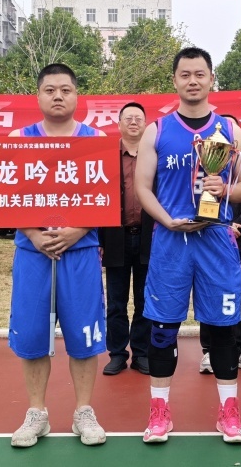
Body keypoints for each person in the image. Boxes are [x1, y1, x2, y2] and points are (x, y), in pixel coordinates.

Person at [134, 47, 241, 444]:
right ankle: (159, 411)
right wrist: (166, 219)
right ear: (174, 80)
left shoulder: (230, 131)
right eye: (185, 74)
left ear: (211, 78)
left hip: (215, 240)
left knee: (223, 330)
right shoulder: (157, 130)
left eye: (200, 74)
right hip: (171, 241)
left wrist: (226, 188)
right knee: (162, 330)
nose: (192, 81)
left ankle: (229, 412)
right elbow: (142, 188)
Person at [6, 63, 107, 448]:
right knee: (33, 333)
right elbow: (6, 196)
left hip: (80, 251)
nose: (58, 96)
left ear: (77, 95)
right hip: (32, 252)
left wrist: (77, 230)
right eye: (50, 90)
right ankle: (37, 413)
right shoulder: (18, 139)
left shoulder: (96, 140)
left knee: (84, 332)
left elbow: (105, 196)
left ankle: (84, 411)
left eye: (65, 89)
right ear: (38, 96)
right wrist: (34, 234)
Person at [199, 134, 241, 374]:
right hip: (210, 240)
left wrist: (238, 225)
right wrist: (221, 227)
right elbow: (197, 198)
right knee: (209, 294)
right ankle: (208, 350)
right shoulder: (202, 165)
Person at [99, 102, 154, 376]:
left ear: (146, 124)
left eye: (138, 118)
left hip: (148, 237)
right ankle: (117, 354)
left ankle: (141, 353)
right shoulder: (105, 157)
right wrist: (99, 239)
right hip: (115, 238)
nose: (133, 122)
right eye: (128, 118)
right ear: (119, 124)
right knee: (116, 303)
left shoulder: (154, 156)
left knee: (145, 301)